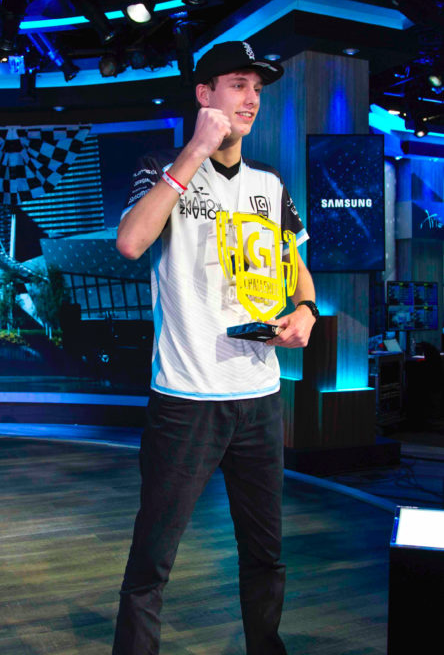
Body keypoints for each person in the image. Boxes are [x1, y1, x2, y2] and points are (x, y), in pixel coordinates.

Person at [112, 40, 318, 655]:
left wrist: (305, 310)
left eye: (258, 88)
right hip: (186, 398)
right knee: (153, 558)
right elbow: (131, 242)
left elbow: (296, 267)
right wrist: (195, 151)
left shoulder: (269, 182)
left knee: (266, 552)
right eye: (238, 84)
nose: (251, 98)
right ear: (205, 94)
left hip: (259, 396)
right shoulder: (162, 166)